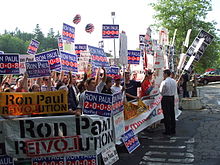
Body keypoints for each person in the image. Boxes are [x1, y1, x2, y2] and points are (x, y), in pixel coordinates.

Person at [160, 69, 177, 135]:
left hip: (166, 98)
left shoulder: (164, 82)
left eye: (164, 74)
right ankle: (173, 129)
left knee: (166, 114)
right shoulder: (174, 81)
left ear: (166, 74)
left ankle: (168, 130)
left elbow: (161, 91)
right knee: (172, 114)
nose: (163, 75)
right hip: (172, 97)